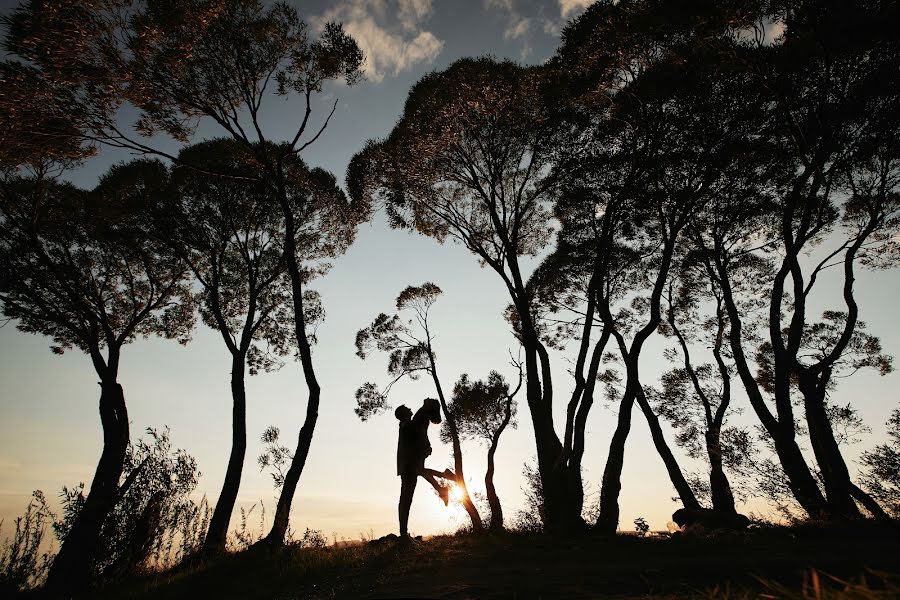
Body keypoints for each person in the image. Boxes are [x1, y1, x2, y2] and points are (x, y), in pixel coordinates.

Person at [396, 398, 454, 538]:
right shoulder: (406, 424)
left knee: (406, 498)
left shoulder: (412, 420)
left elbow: (423, 429)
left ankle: (443, 484)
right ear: (403, 414)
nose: (409, 408)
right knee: (406, 499)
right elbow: (417, 432)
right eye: (406, 408)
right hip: (408, 463)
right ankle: (443, 481)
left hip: (410, 461)